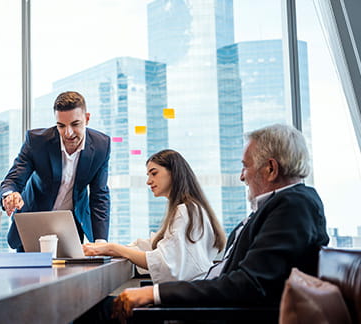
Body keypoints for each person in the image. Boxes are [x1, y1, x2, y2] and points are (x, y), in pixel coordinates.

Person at [112, 124, 329, 321]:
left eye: (246, 166)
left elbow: (250, 284)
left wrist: (155, 293)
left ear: (270, 169)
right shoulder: (277, 206)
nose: (242, 177)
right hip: (216, 304)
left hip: (223, 314)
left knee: (104, 311)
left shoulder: (293, 206)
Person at [83, 149, 226, 283]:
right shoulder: (191, 209)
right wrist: (106, 247)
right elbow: (154, 245)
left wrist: (113, 248)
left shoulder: (185, 211)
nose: (149, 181)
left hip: (186, 297)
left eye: (154, 173)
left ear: (173, 172)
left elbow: (164, 263)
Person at [0, 91, 111, 251]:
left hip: (70, 227)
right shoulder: (37, 142)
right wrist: (9, 194)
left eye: (75, 124)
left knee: (70, 274)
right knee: (28, 275)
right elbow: (13, 180)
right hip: (33, 224)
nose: (68, 133)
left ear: (87, 118)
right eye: (61, 126)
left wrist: (101, 241)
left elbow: (99, 195)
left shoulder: (101, 145)